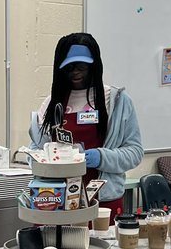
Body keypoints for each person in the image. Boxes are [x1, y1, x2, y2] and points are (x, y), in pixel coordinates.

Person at [30, 33, 143, 223]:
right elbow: (34, 151)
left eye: (82, 65)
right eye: (69, 66)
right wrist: (45, 160)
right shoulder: (51, 105)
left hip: (102, 203)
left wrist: (101, 157)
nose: (75, 71)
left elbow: (135, 152)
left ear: (94, 65)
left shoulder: (115, 101)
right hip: (56, 201)